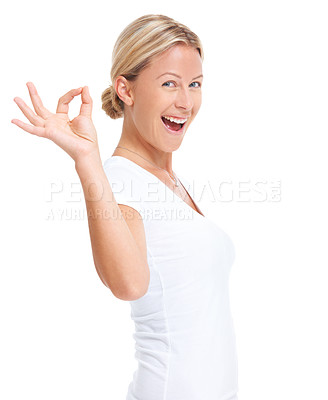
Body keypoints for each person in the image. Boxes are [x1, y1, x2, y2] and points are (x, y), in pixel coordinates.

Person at [11, 13, 238, 400]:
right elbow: (129, 284)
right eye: (169, 84)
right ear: (126, 90)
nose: (186, 102)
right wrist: (87, 162)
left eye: (195, 84)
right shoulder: (119, 180)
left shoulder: (167, 181)